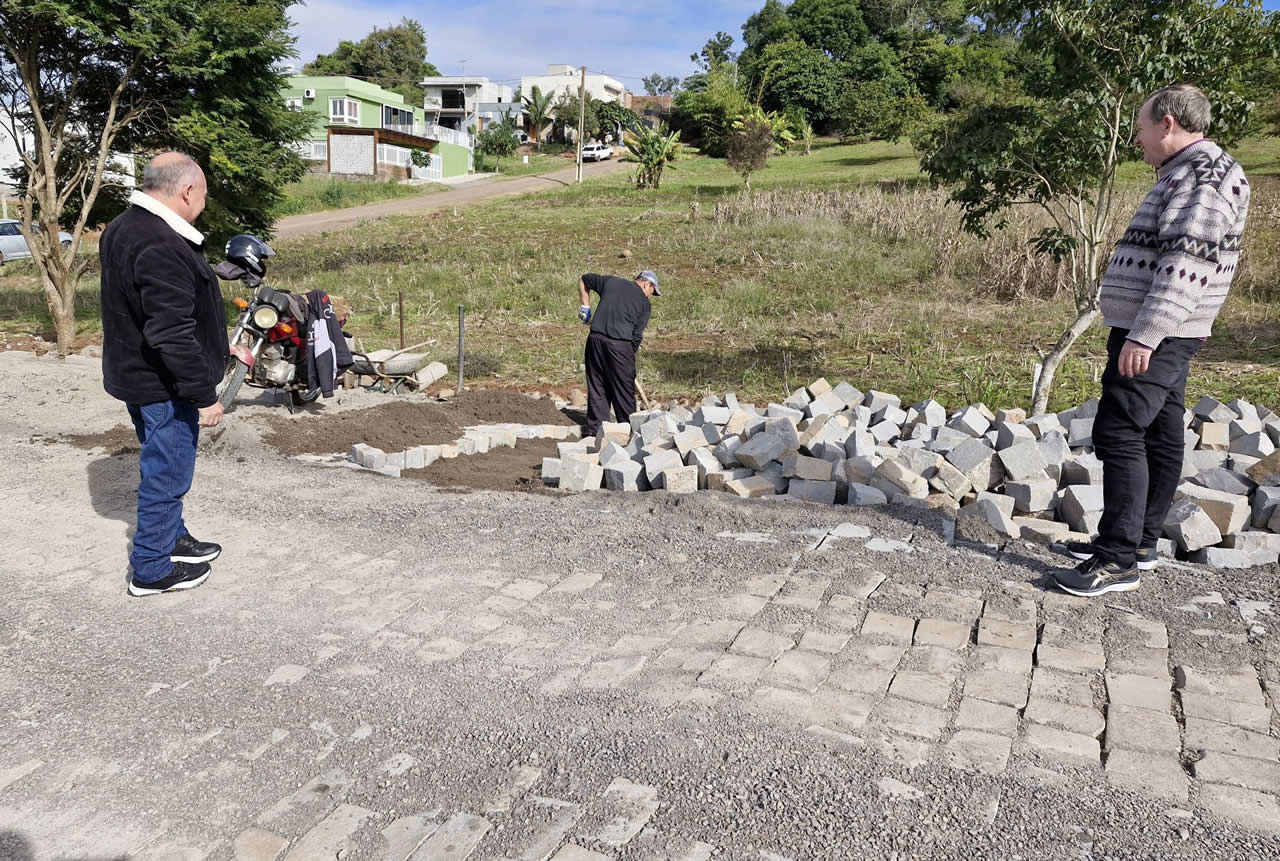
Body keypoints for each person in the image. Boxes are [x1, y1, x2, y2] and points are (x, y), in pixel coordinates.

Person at [1053, 84, 1250, 598]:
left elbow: (1186, 266)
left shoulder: (1201, 178)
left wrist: (1145, 335)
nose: (1136, 138)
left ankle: (1117, 560)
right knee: (1161, 431)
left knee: (1119, 431)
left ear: (1168, 124)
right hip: (1166, 328)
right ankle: (1138, 543)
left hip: (1159, 330)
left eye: (1140, 128)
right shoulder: (1191, 170)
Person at [99, 152, 229, 597]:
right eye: (204, 196)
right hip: (162, 384)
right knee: (167, 474)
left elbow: (149, 310)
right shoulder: (160, 243)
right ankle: (151, 568)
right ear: (187, 191)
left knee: (163, 464)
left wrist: (218, 344)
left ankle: (173, 539)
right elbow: (170, 332)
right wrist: (204, 396)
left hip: (137, 374)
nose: (203, 205)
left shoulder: (124, 226)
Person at [577, 270, 659, 437]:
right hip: (620, 345)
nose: (651, 295)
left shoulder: (611, 282)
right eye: (653, 291)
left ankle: (596, 431)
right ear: (646, 284)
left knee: (598, 386)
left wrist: (585, 306)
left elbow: (584, 280)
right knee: (623, 391)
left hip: (595, 340)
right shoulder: (644, 304)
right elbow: (636, 336)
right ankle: (629, 432)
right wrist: (627, 361)